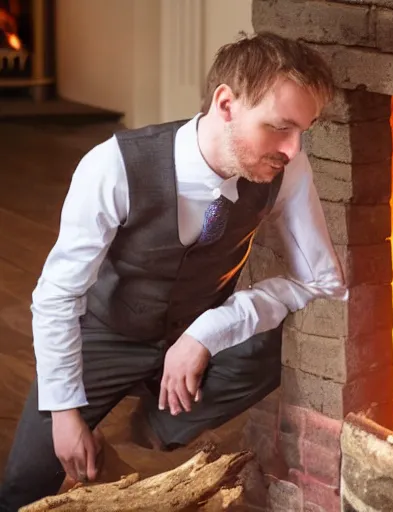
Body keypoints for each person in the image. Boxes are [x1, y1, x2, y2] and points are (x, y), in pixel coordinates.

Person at [0, 31, 347, 510]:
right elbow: (56, 295)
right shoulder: (113, 166)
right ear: (226, 104)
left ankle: (148, 432)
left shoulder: (289, 168)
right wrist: (63, 412)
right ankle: (110, 430)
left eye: (302, 132)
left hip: (194, 325)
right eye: (280, 127)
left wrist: (208, 331)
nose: (291, 148)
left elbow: (324, 282)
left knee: (282, 337)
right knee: (24, 489)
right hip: (107, 332)